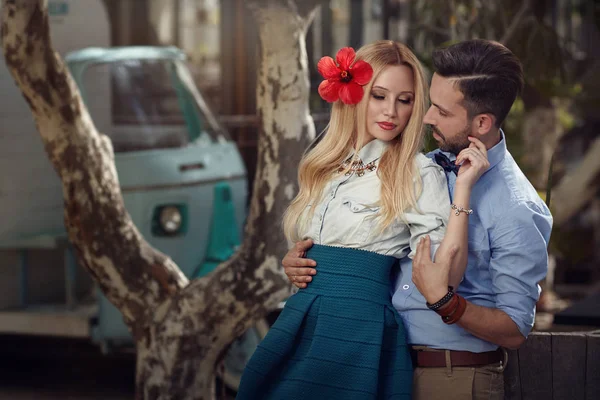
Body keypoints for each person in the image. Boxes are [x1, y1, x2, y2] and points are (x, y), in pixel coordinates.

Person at [282, 39, 553, 400]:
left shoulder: (516, 206)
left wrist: (447, 303)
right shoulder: (418, 165)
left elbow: (515, 328)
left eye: (439, 110)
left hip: (452, 375)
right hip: (381, 360)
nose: (424, 117)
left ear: (482, 121)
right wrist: (310, 264)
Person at [236, 40, 489, 400]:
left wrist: (462, 191)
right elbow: (318, 247)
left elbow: (446, 273)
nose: (392, 111)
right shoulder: (323, 165)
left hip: (358, 330)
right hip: (301, 318)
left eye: (405, 100)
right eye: (379, 96)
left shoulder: (416, 171)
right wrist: (294, 263)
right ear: (354, 95)